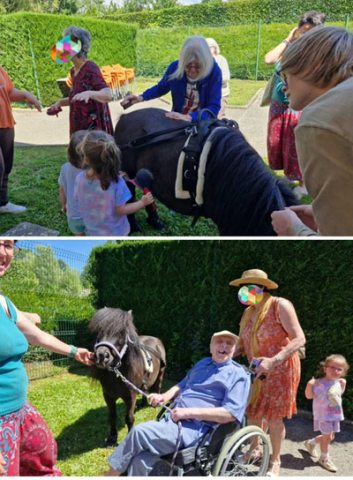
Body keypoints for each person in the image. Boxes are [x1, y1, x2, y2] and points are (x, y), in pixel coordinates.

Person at [0, 239, 93, 476]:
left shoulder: (4, 302)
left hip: (18, 409)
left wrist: (74, 351)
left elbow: (38, 336)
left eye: (9, 245)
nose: (3, 252)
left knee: (43, 455)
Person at [105, 330, 251, 476]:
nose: (224, 346)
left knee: (139, 433)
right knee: (140, 460)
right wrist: (164, 397)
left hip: (194, 430)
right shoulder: (202, 363)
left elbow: (230, 413)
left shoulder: (238, 375)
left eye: (229, 343)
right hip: (171, 419)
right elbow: (182, 385)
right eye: (219, 342)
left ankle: (109, 476)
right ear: (211, 346)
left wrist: (188, 412)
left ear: (235, 349)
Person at [270, 26, 353, 236]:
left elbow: (342, 238)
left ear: (313, 65)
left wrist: (294, 230)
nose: (283, 86)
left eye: (285, 74)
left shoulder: (320, 120)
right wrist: (325, 214)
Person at [229, 269, 305, 476]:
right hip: (256, 369)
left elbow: (299, 338)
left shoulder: (280, 305)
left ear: (261, 288)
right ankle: (254, 448)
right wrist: (226, 355)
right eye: (243, 287)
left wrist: (274, 360)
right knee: (253, 411)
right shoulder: (248, 312)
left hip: (281, 368)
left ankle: (275, 460)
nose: (245, 291)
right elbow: (243, 343)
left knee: (273, 417)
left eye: (250, 286)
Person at [264, 11, 326, 197]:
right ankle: (290, 176)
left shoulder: (318, 52)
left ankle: (305, 184)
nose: (306, 35)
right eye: (303, 30)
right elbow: (268, 59)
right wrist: (288, 39)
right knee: (280, 143)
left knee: (299, 144)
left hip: (300, 105)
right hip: (279, 103)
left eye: (311, 31)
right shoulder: (290, 47)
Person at [121, 36, 222, 122]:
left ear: (205, 62)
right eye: (188, 65)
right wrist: (141, 97)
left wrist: (189, 117)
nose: (192, 70)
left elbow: (213, 107)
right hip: (178, 118)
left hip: (203, 122)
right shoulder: (175, 67)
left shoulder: (214, 72)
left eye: (197, 66)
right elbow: (161, 88)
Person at [74, 130, 154, 236]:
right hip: (115, 232)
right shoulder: (118, 183)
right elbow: (120, 210)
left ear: (86, 159)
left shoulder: (79, 178)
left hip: (92, 230)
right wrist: (142, 203)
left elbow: (78, 199)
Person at [48, 26, 113, 135]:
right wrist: (59, 103)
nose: (61, 46)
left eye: (66, 42)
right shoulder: (73, 71)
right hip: (79, 127)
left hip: (93, 132)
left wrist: (90, 93)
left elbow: (108, 95)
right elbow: (77, 97)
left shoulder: (90, 68)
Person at [0, 66, 41, 214]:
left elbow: (9, 92)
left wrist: (25, 94)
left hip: (5, 122)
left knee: (6, 165)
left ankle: (2, 203)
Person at [304, 354, 349, 473]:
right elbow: (309, 396)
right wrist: (309, 385)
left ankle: (310, 443)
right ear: (325, 368)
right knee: (327, 437)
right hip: (323, 415)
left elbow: (338, 395)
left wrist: (343, 384)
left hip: (335, 415)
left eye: (339, 369)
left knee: (329, 437)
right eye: (332, 367)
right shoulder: (318, 383)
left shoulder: (340, 382)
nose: (335, 371)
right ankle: (324, 458)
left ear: (343, 371)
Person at [58, 130, 86, 235]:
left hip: (73, 216)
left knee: (80, 235)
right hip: (93, 217)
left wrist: (64, 205)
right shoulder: (96, 171)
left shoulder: (65, 168)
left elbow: (62, 190)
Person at [206, 38, 230, 118]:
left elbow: (226, 77)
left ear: (215, 48)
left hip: (221, 94)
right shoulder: (204, 60)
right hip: (207, 94)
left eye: (210, 47)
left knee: (217, 117)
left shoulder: (221, 59)